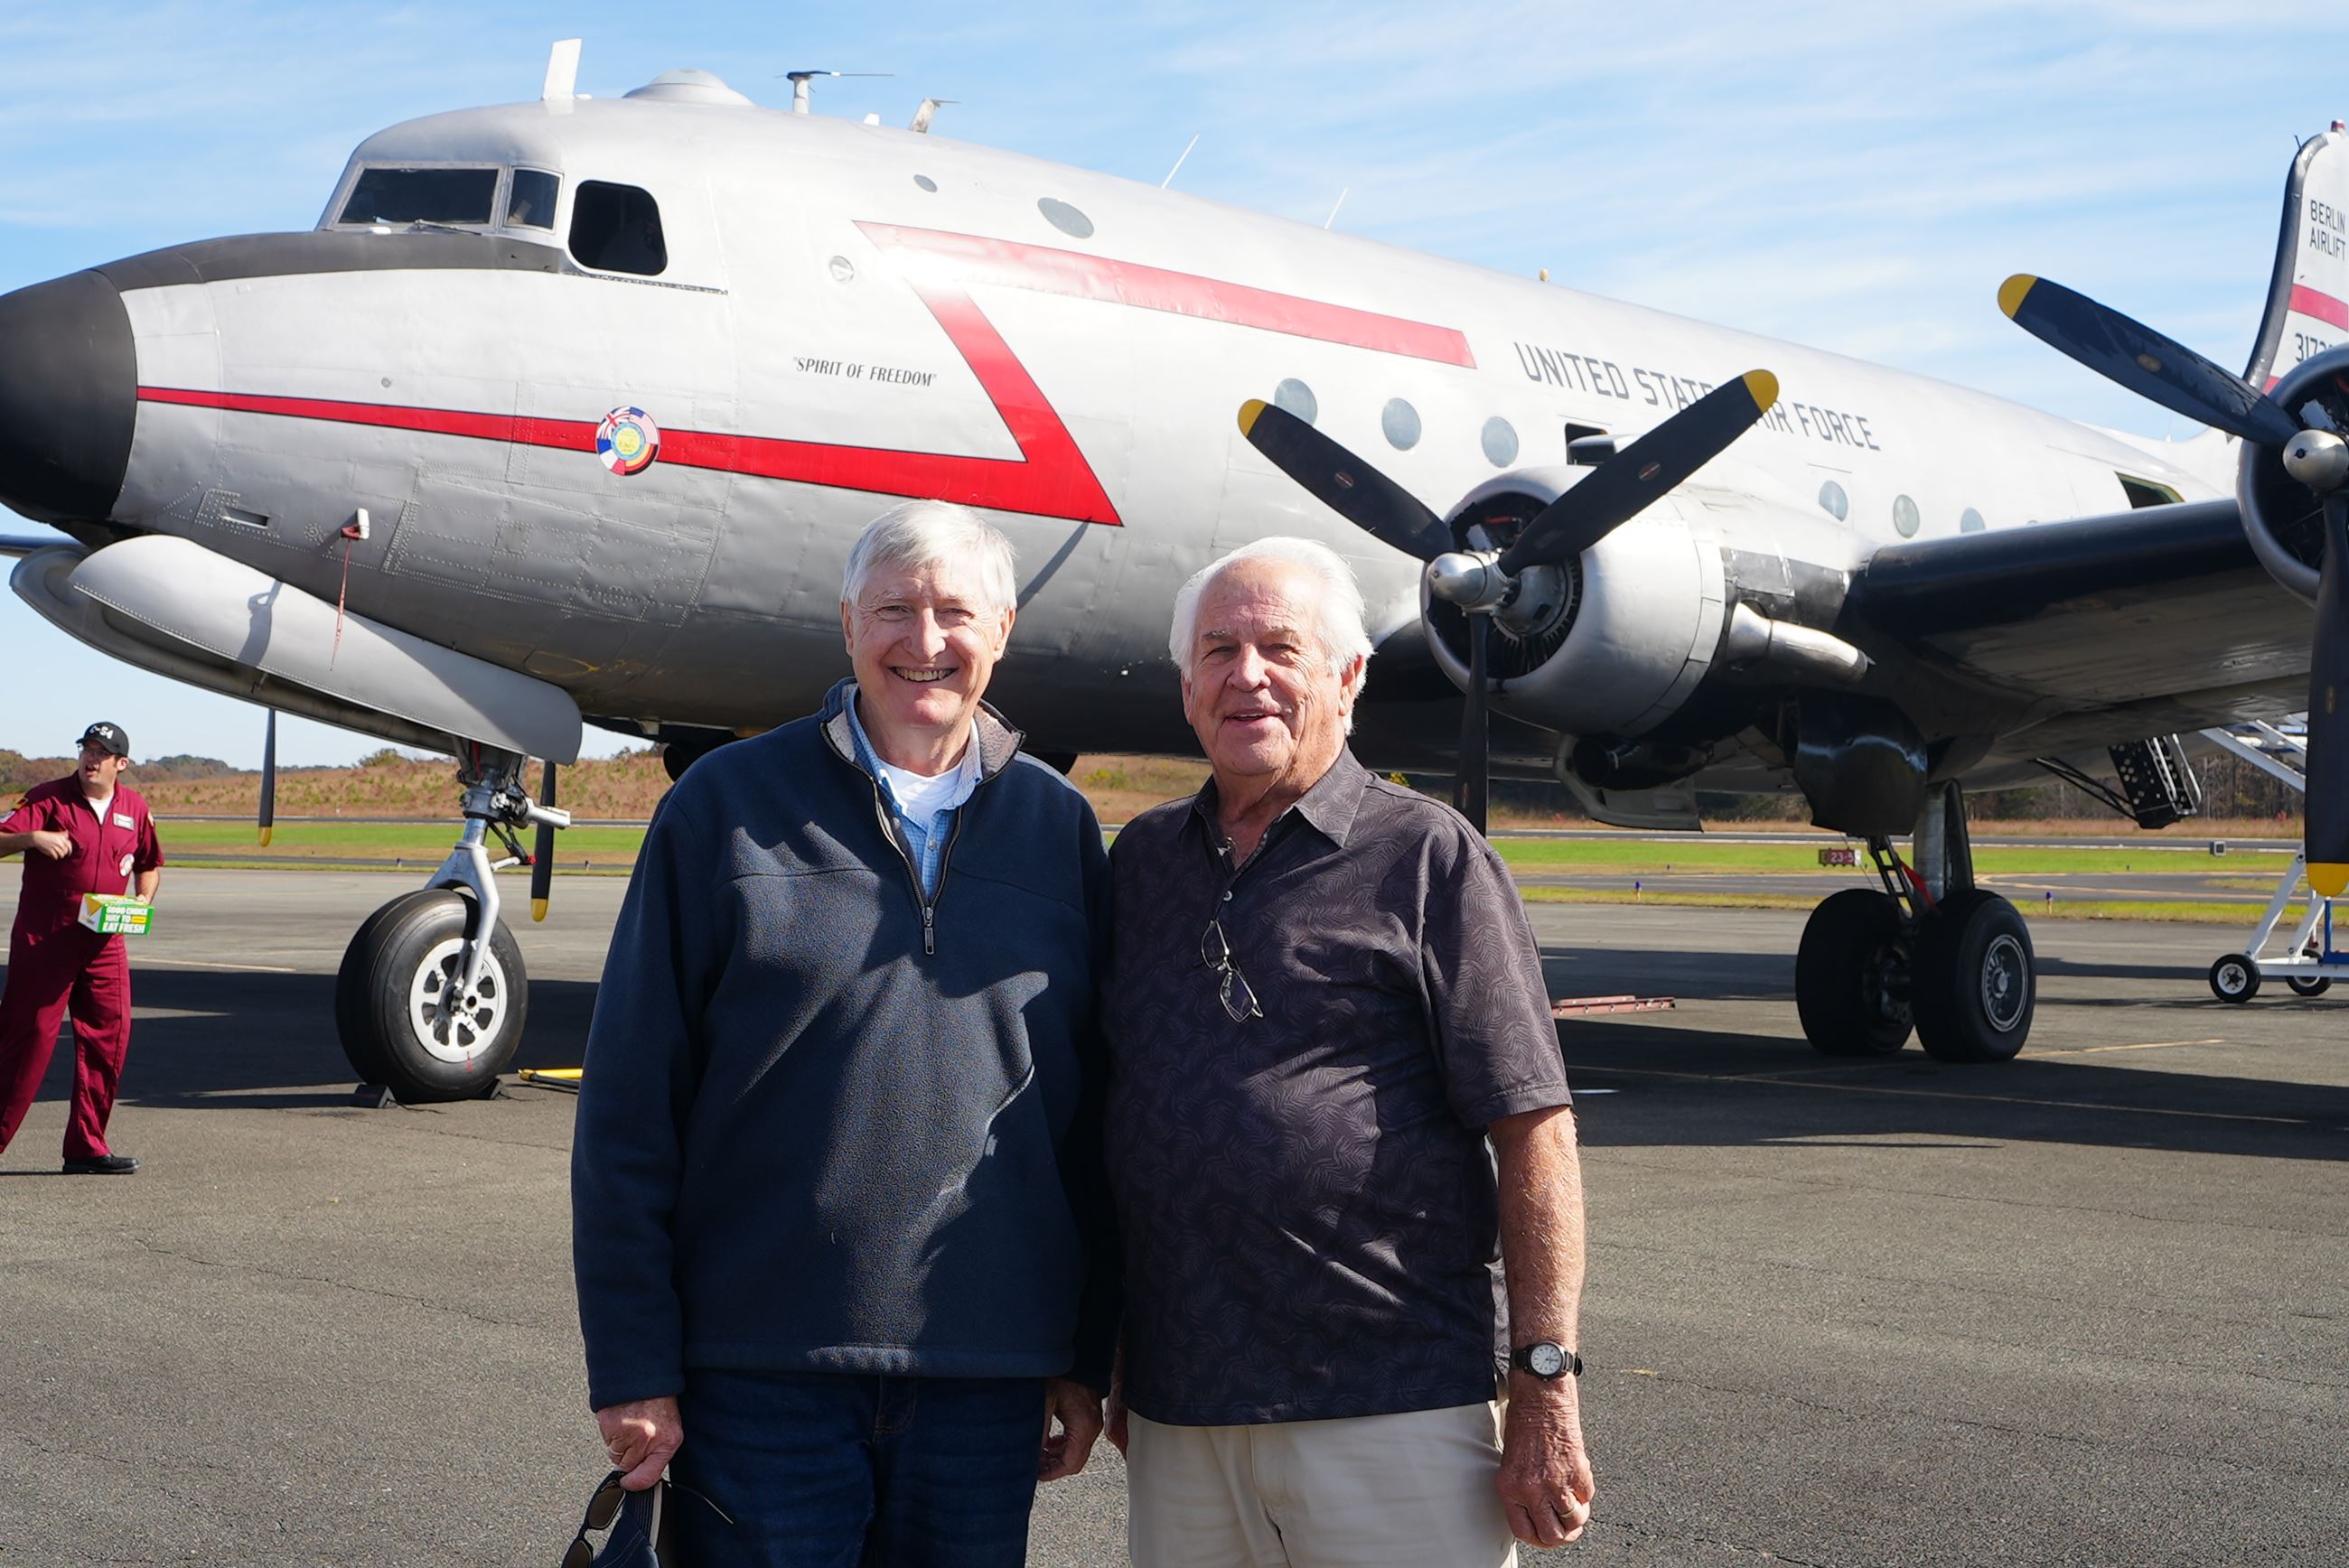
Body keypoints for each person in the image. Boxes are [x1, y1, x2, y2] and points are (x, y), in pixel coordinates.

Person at [571, 500, 1118, 1568]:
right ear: (846, 623)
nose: (924, 642)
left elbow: (1091, 1117)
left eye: (955, 612)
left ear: (1001, 630)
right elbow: (631, 1101)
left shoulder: (1061, 829)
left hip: (985, 1374)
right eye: (893, 610)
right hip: (758, 1372)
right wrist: (632, 1359)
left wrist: (1080, 1349)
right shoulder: (722, 806)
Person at [1102, 537, 1595, 1566]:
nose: (1247, 675)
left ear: (1347, 675)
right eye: (1218, 649)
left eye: (1281, 646)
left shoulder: (1428, 855)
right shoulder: (1141, 861)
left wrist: (1543, 1379)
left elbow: (1534, 1127)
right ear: (1186, 684)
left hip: (1392, 1402)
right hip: (1182, 1408)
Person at [0, 722, 164, 1174]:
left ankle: (87, 1146)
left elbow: (149, 865)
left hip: (105, 941)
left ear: (121, 764)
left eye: (101, 752)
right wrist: (30, 839)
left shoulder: (135, 807)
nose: (90, 758)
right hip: (47, 937)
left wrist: (142, 900)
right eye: (86, 749)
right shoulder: (46, 798)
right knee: (28, 1037)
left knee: (108, 1038)